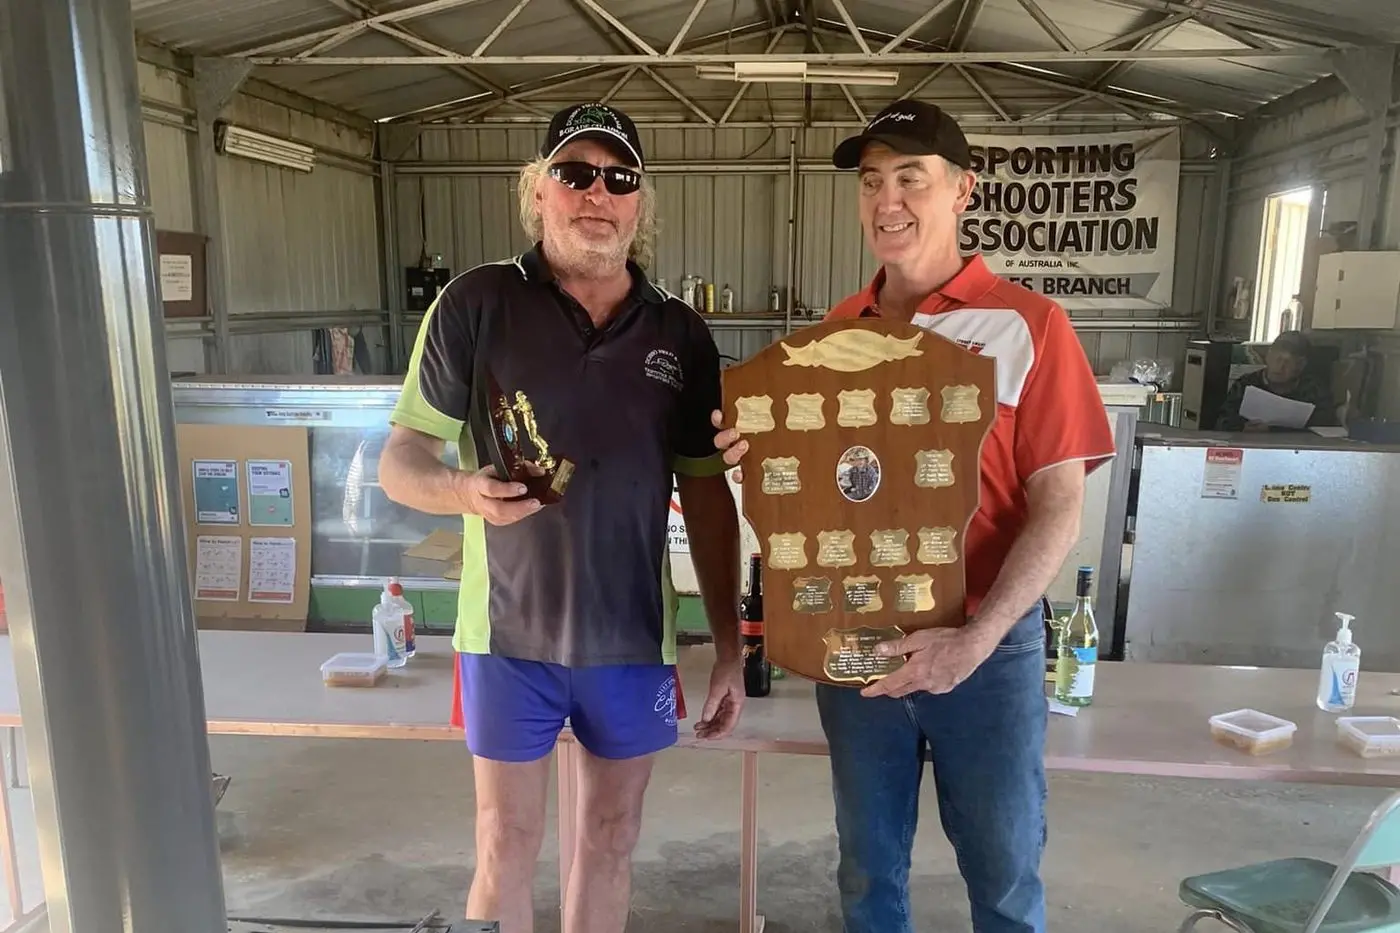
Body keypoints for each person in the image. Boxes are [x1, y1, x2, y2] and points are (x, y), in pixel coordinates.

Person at [712, 99, 1116, 933]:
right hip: (858, 641)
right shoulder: (829, 337)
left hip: (987, 650)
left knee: (1004, 878)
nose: (886, 201)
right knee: (868, 875)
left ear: (962, 190)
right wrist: (758, 460)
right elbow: (817, 496)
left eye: (910, 178)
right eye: (870, 182)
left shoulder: (1030, 327)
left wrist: (974, 639)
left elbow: (1060, 509)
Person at [379, 102, 746, 933]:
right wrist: (462, 492)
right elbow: (399, 463)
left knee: (611, 839)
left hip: (633, 640)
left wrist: (729, 647)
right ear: (537, 190)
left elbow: (711, 498)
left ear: (640, 202)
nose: (597, 194)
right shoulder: (477, 304)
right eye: (574, 173)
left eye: (619, 179)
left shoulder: (681, 335)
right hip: (507, 637)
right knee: (505, 840)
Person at [1214, 330, 1340, 431]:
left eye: (1287, 362)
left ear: (1301, 365)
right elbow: (1221, 423)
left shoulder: (1313, 389)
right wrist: (1242, 428)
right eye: (1276, 359)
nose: (1279, 367)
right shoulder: (1246, 384)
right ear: (1267, 356)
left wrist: (1274, 430)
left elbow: (1325, 428)